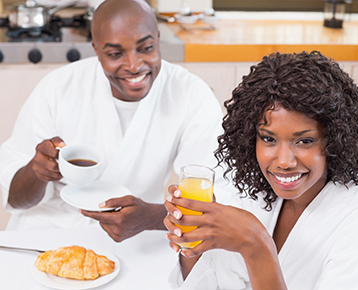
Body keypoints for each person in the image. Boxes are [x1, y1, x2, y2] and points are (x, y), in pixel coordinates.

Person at [164, 51, 358, 289]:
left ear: (334, 140)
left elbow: (253, 250)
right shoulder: (258, 190)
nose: (284, 161)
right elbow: (215, 282)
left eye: (304, 141)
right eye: (268, 139)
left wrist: (256, 245)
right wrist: (194, 246)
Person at [0, 0, 225, 242]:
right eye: (115, 54)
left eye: (146, 48)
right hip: (47, 233)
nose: (134, 65)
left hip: (138, 237)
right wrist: (38, 172)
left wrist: (150, 217)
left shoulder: (190, 94)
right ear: (96, 50)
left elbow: (215, 201)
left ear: (158, 39)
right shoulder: (58, 87)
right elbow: (15, 199)